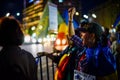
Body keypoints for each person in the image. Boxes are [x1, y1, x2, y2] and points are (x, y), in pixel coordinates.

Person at [68, 7, 118, 80]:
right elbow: (71, 35)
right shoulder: (87, 46)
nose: (81, 35)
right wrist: (70, 18)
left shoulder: (102, 55)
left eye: (84, 33)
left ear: (92, 36)